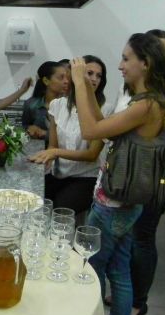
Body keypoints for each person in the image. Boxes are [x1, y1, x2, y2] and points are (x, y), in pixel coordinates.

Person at [73, 33, 165, 315]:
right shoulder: (147, 101)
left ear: (145, 63)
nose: (120, 65)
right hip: (125, 202)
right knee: (119, 271)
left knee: (91, 271)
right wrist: (89, 90)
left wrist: (78, 81)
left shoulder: (146, 105)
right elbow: (103, 125)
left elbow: (89, 132)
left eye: (126, 58)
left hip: (113, 205)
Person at [112, 29, 165, 315]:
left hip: (154, 177)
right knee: (124, 236)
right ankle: (124, 292)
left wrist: (152, 129)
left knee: (142, 237)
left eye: (163, 51)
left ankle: (138, 301)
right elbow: (114, 121)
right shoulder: (130, 86)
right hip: (125, 176)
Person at [28, 55, 109, 213]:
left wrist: (55, 152)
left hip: (86, 177)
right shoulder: (57, 105)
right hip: (59, 174)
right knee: (33, 199)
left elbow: (92, 154)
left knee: (60, 210)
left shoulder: (104, 109)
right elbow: (53, 146)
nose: (94, 79)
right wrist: (44, 160)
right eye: (89, 73)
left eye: (99, 76)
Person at [22, 60, 71, 139]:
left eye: (67, 78)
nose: (66, 81)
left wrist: (45, 133)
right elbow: (23, 127)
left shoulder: (70, 105)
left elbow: (73, 135)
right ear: (46, 81)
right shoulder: (31, 104)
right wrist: (29, 129)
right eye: (61, 77)